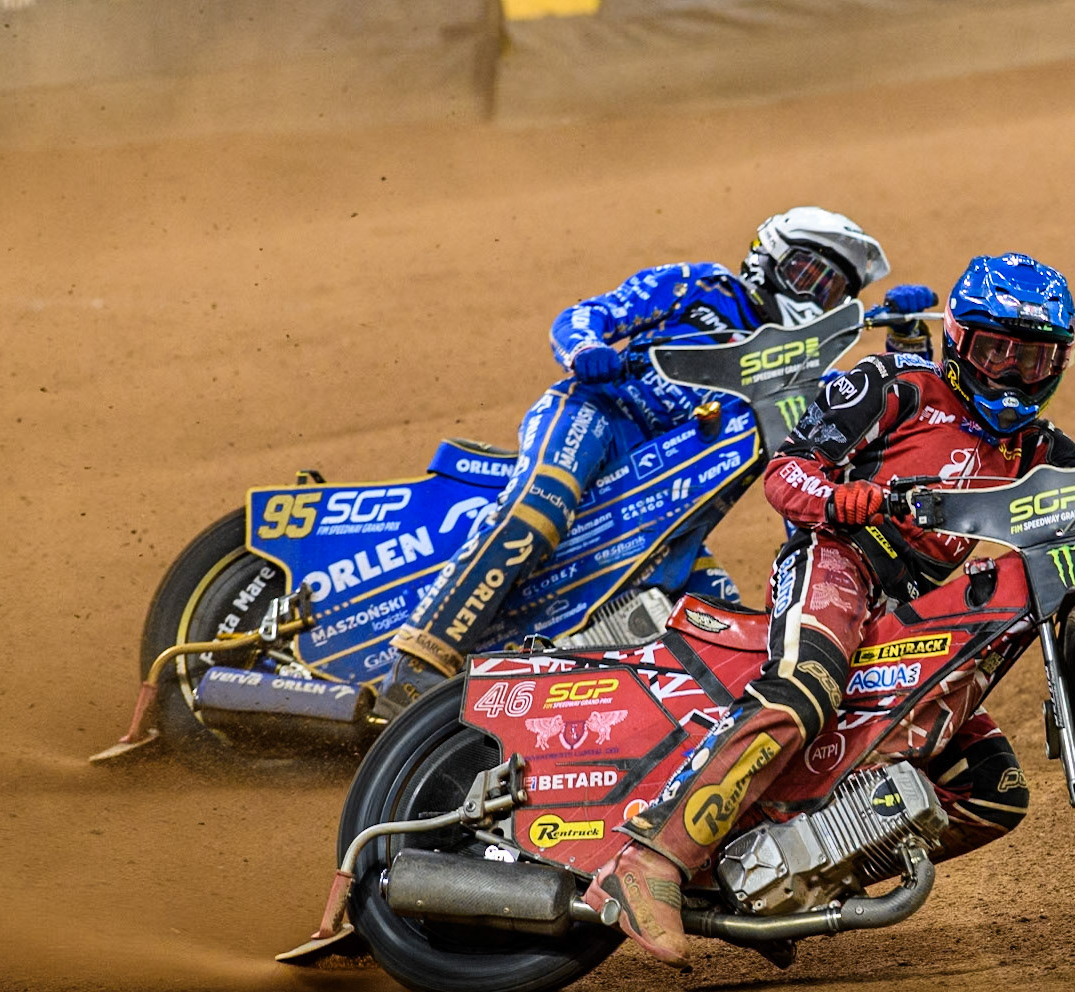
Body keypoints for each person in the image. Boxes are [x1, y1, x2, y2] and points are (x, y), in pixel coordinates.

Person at [581, 252, 1075, 967]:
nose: (1011, 373)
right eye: (996, 350)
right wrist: (840, 499)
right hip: (838, 561)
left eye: (1033, 358)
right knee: (806, 689)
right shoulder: (897, 387)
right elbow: (789, 469)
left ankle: (796, 877)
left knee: (994, 792)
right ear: (959, 340)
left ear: (1059, 364)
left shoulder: (1032, 448)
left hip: (914, 610)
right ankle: (651, 860)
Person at [374, 207, 939, 718]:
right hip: (602, 415)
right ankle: (419, 660)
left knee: (713, 618)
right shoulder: (700, 285)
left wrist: (908, 340)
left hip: (673, 502)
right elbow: (587, 315)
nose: (815, 297)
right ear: (766, 258)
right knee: (539, 506)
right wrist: (586, 350)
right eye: (807, 275)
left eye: (833, 291)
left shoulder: (801, 379)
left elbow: (880, 425)